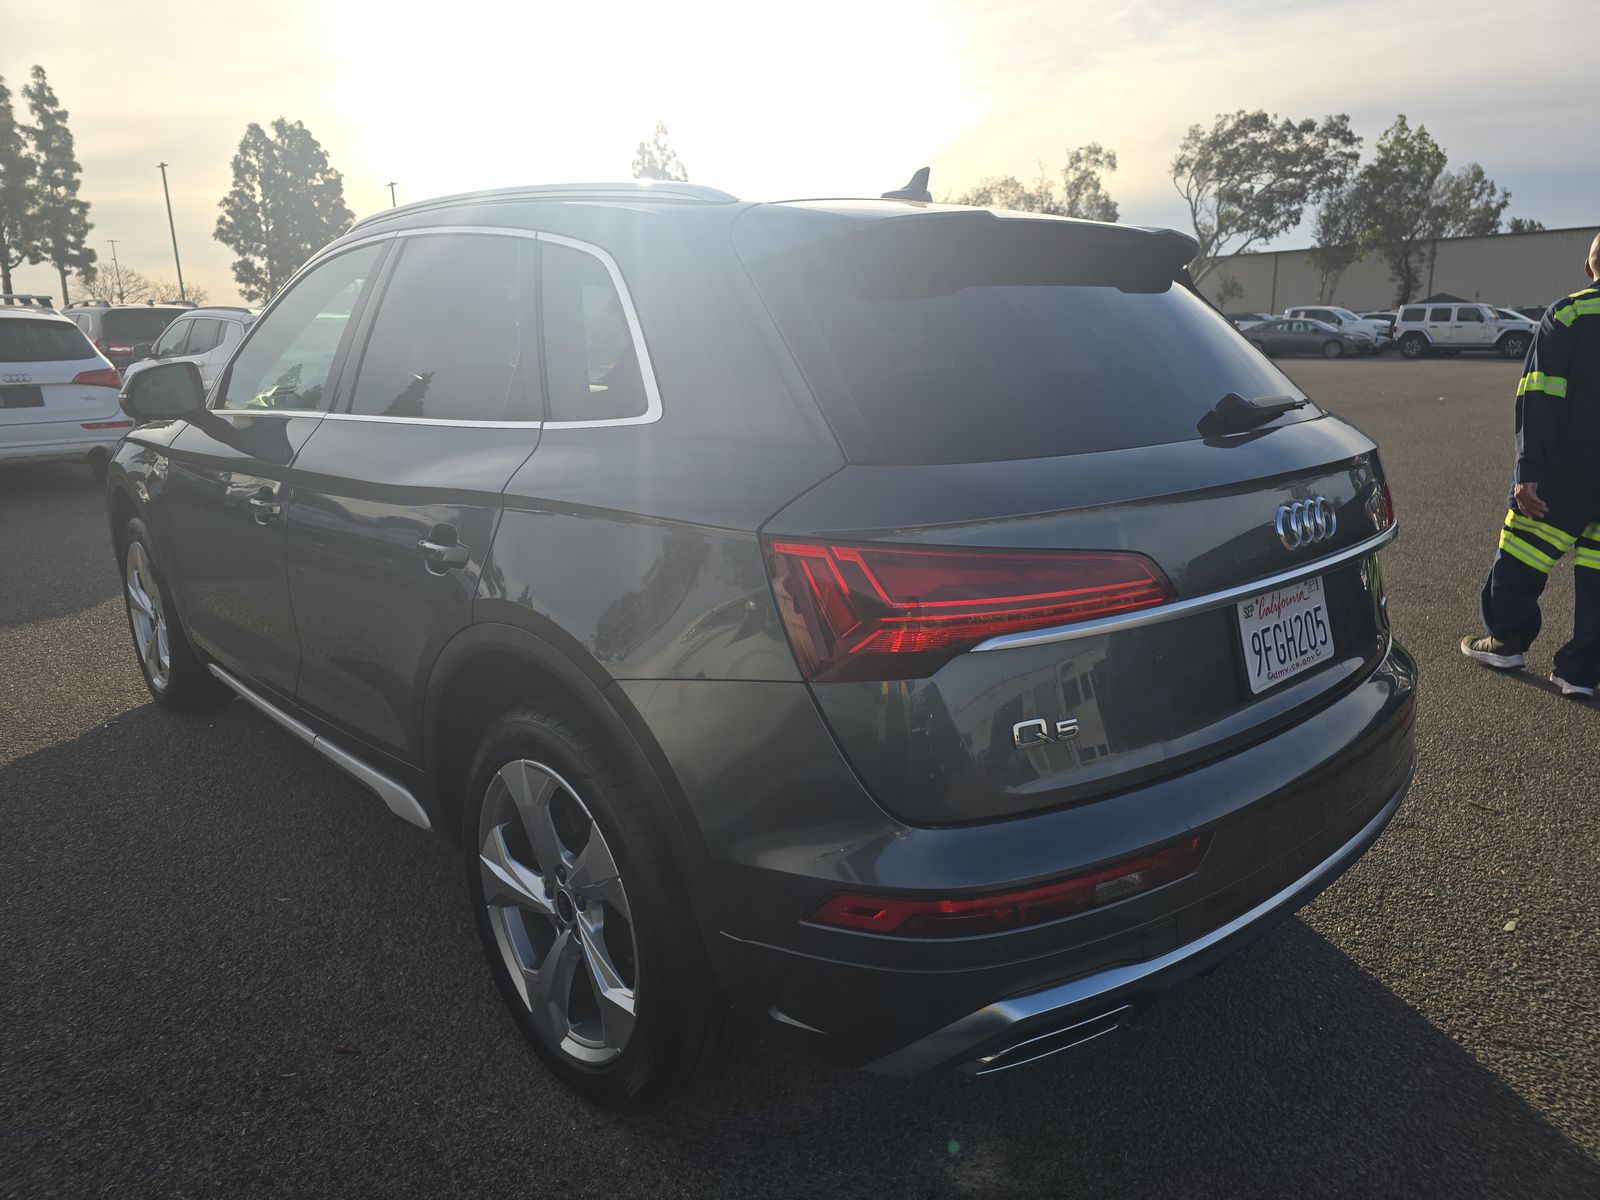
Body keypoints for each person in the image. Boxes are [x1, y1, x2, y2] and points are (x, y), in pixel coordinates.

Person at [1462, 230, 1600, 695]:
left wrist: (1528, 471)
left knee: (1521, 554)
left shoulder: (1569, 314)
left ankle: (1506, 641)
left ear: (1588, 268)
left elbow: (1540, 396)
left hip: (1561, 474)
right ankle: (1580, 672)